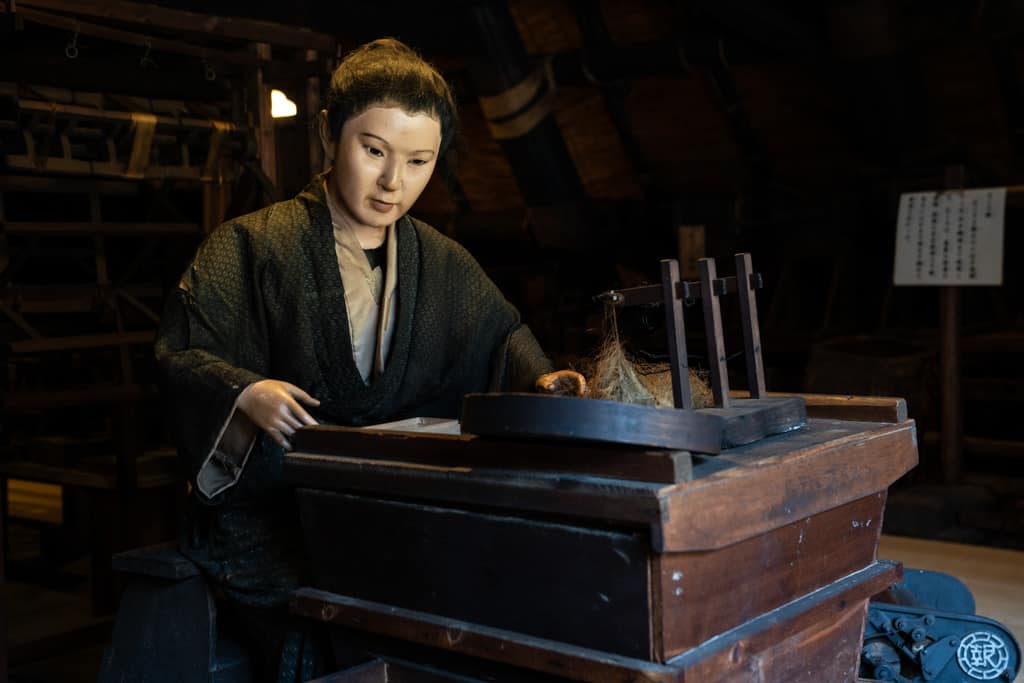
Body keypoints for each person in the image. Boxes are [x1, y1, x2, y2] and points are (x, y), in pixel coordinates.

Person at [155, 38, 584, 681]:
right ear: (330, 135)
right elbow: (181, 354)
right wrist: (243, 394)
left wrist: (543, 378)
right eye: (374, 151)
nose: (393, 182)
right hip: (272, 516)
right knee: (326, 628)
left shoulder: (440, 260)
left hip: (382, 506)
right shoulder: (252, 244)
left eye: (418, 161)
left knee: (452, 605)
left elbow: (501, 337)